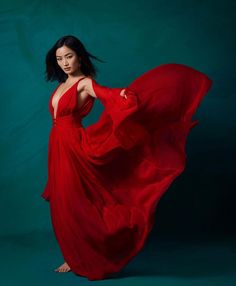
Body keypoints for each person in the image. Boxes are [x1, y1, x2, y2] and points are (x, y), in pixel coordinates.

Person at [41, 35, 212, 280]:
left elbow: (107, 95)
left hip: (74, 146)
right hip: (57, 144)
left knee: (75, 199)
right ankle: (71, 253)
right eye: (60, 59)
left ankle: (90, 253)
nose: (65, 63)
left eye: (69, 56)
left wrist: (122, 96)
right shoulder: (61, 86)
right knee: (62, 199)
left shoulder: (85, 83)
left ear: (79, 56)